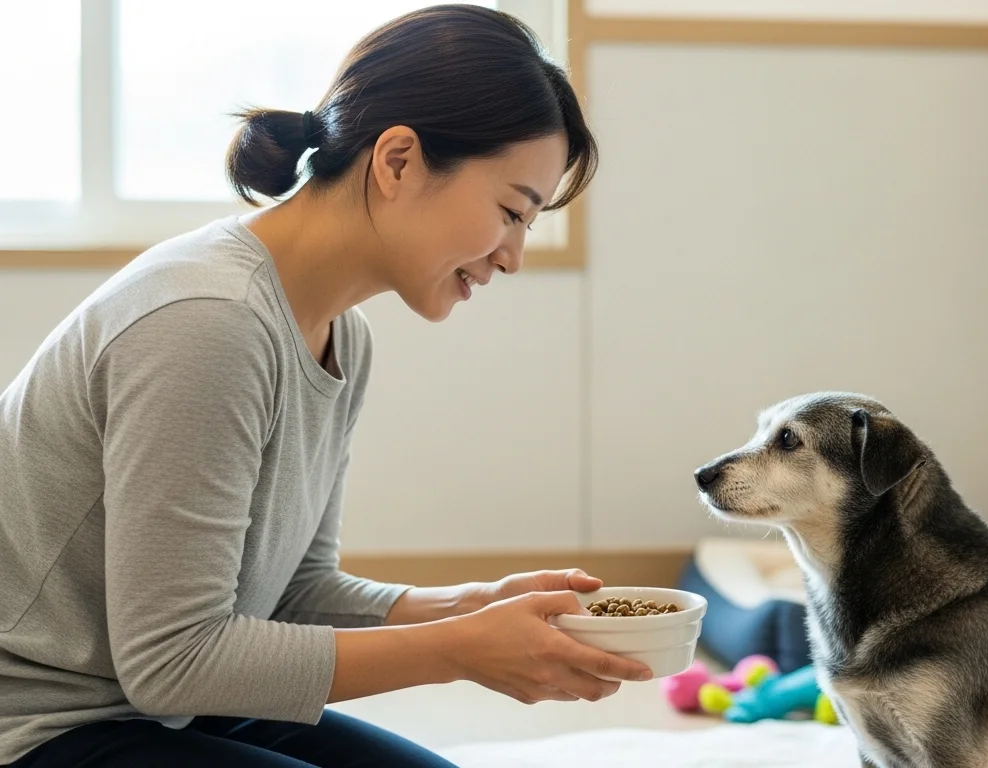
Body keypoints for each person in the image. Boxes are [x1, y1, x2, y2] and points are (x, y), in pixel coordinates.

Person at [0, 5, 652, 766]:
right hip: (41, 724)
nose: (513, 256)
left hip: (163, 708)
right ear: (398, 161)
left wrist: (466, 606)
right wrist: (460, 649)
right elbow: (172, 660)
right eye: (512, 211)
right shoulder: (210, 321)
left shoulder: (343, 335)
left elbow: (291, 593)